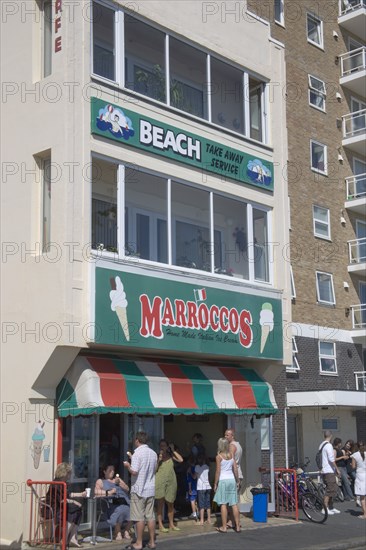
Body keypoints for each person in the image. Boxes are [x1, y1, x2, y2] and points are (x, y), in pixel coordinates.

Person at [123, 432, 157, 550]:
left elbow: (134, 472)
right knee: (150, 516)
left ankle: (139, 543)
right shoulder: (153, 453)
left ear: (137, 440)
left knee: (139, 517)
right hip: (150, 488)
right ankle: (152, 542)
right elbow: (153, 469)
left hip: (139, 489)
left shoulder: (137, 453)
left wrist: (127, 465)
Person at [46, 462, 86, 548]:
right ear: (65, 473)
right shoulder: (56, 484)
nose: (70, 475)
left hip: (60, 507)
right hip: (54, 509)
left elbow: (68, 495)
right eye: (69, 473)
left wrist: (80, 494)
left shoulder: (63, 483)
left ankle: (71, 538)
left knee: (78, 510)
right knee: (73, 510)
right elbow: (61, 500)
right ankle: (64, 539)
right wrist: (74, 502)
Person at [94, 464, 131, 540]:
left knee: (135, 509)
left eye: (113, 470)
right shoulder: (101, 481)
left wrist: (120, 483)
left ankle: (127, 531)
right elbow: (96, 492)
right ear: (104, 471)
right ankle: (118, 532)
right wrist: (109, 493)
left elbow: (127, 489)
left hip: (125, 501)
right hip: (111, 503)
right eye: (110, 470)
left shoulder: (117, 479)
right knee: (119, 509)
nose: (112, 472)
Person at [213, 437, 241, 533]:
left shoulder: (219, 457)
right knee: (234, 503)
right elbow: (235, 469)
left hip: (223, 481)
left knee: (223, 504)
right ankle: (237, 526)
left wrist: (215, 483)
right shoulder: (231, 455)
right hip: (231, 480)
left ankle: (224, 527)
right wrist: (237, 480)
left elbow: (218, 471)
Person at [155, 439, 183, 532]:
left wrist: (173, 450)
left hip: (171, 481)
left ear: (167, 447)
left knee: (171, 503)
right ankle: (160, 525)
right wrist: (158, 460)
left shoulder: (171, 455)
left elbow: (181, 460)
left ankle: (171, 524)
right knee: (160, 504)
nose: (162, 447)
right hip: (160, 481)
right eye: (161, 445)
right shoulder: (157, 456)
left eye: (164, 445)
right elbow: (154, 469)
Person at [224, 429, 243, 529]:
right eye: (225, 435)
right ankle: (233, 521)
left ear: (232, 436)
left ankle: (235, 522)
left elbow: (232, 462)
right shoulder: (238, 445)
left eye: (227, 435)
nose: (226, 437)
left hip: (233, 475)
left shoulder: (231, 446)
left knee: (231, 502)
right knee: (235, 500)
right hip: (238, 474)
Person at [319, 430, 340, 515]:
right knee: (330, 489)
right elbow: (331, 459)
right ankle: (325, 508)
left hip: (324, 470)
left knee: (332, 489)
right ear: (331, 436)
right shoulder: (328, 445)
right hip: (329, 471)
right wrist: (337, 469)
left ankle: (331, 507)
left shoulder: (321, 445)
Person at [195, 453, 212, 525]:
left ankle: (201, 520)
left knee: (201, 504)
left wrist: (189, 471)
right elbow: (208, 476)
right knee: (208, 504)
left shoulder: (197, 467)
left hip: (201, 487)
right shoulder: (207, 467)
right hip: (208, 486)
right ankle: (209, 519)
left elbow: (194, 477)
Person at [351, 440, 366, 519]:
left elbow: (353, 467)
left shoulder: (355, 455)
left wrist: (353, 465)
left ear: (357, 446)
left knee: (362, 497)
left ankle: (365, 514)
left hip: (360, 475)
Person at [186, 454, 198, 521]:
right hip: (197, 486)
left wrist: (189, 488)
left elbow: (189, 480)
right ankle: (196, 512)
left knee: (192, 500)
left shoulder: (190, 469)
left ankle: (194, 513)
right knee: (196, 500)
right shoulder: (196, 467)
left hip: (192, 486)